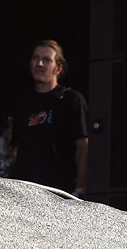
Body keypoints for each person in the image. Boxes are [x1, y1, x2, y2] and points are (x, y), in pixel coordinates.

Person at [9, 39, 89, 197]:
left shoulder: (71, 99)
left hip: (58, 192)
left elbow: (83, 147)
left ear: (58, 68)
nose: (39, 63)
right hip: (23, 191)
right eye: (35, 58)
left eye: (46, 60)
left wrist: (80, 189)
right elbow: (14, 148)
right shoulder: (21, 102)